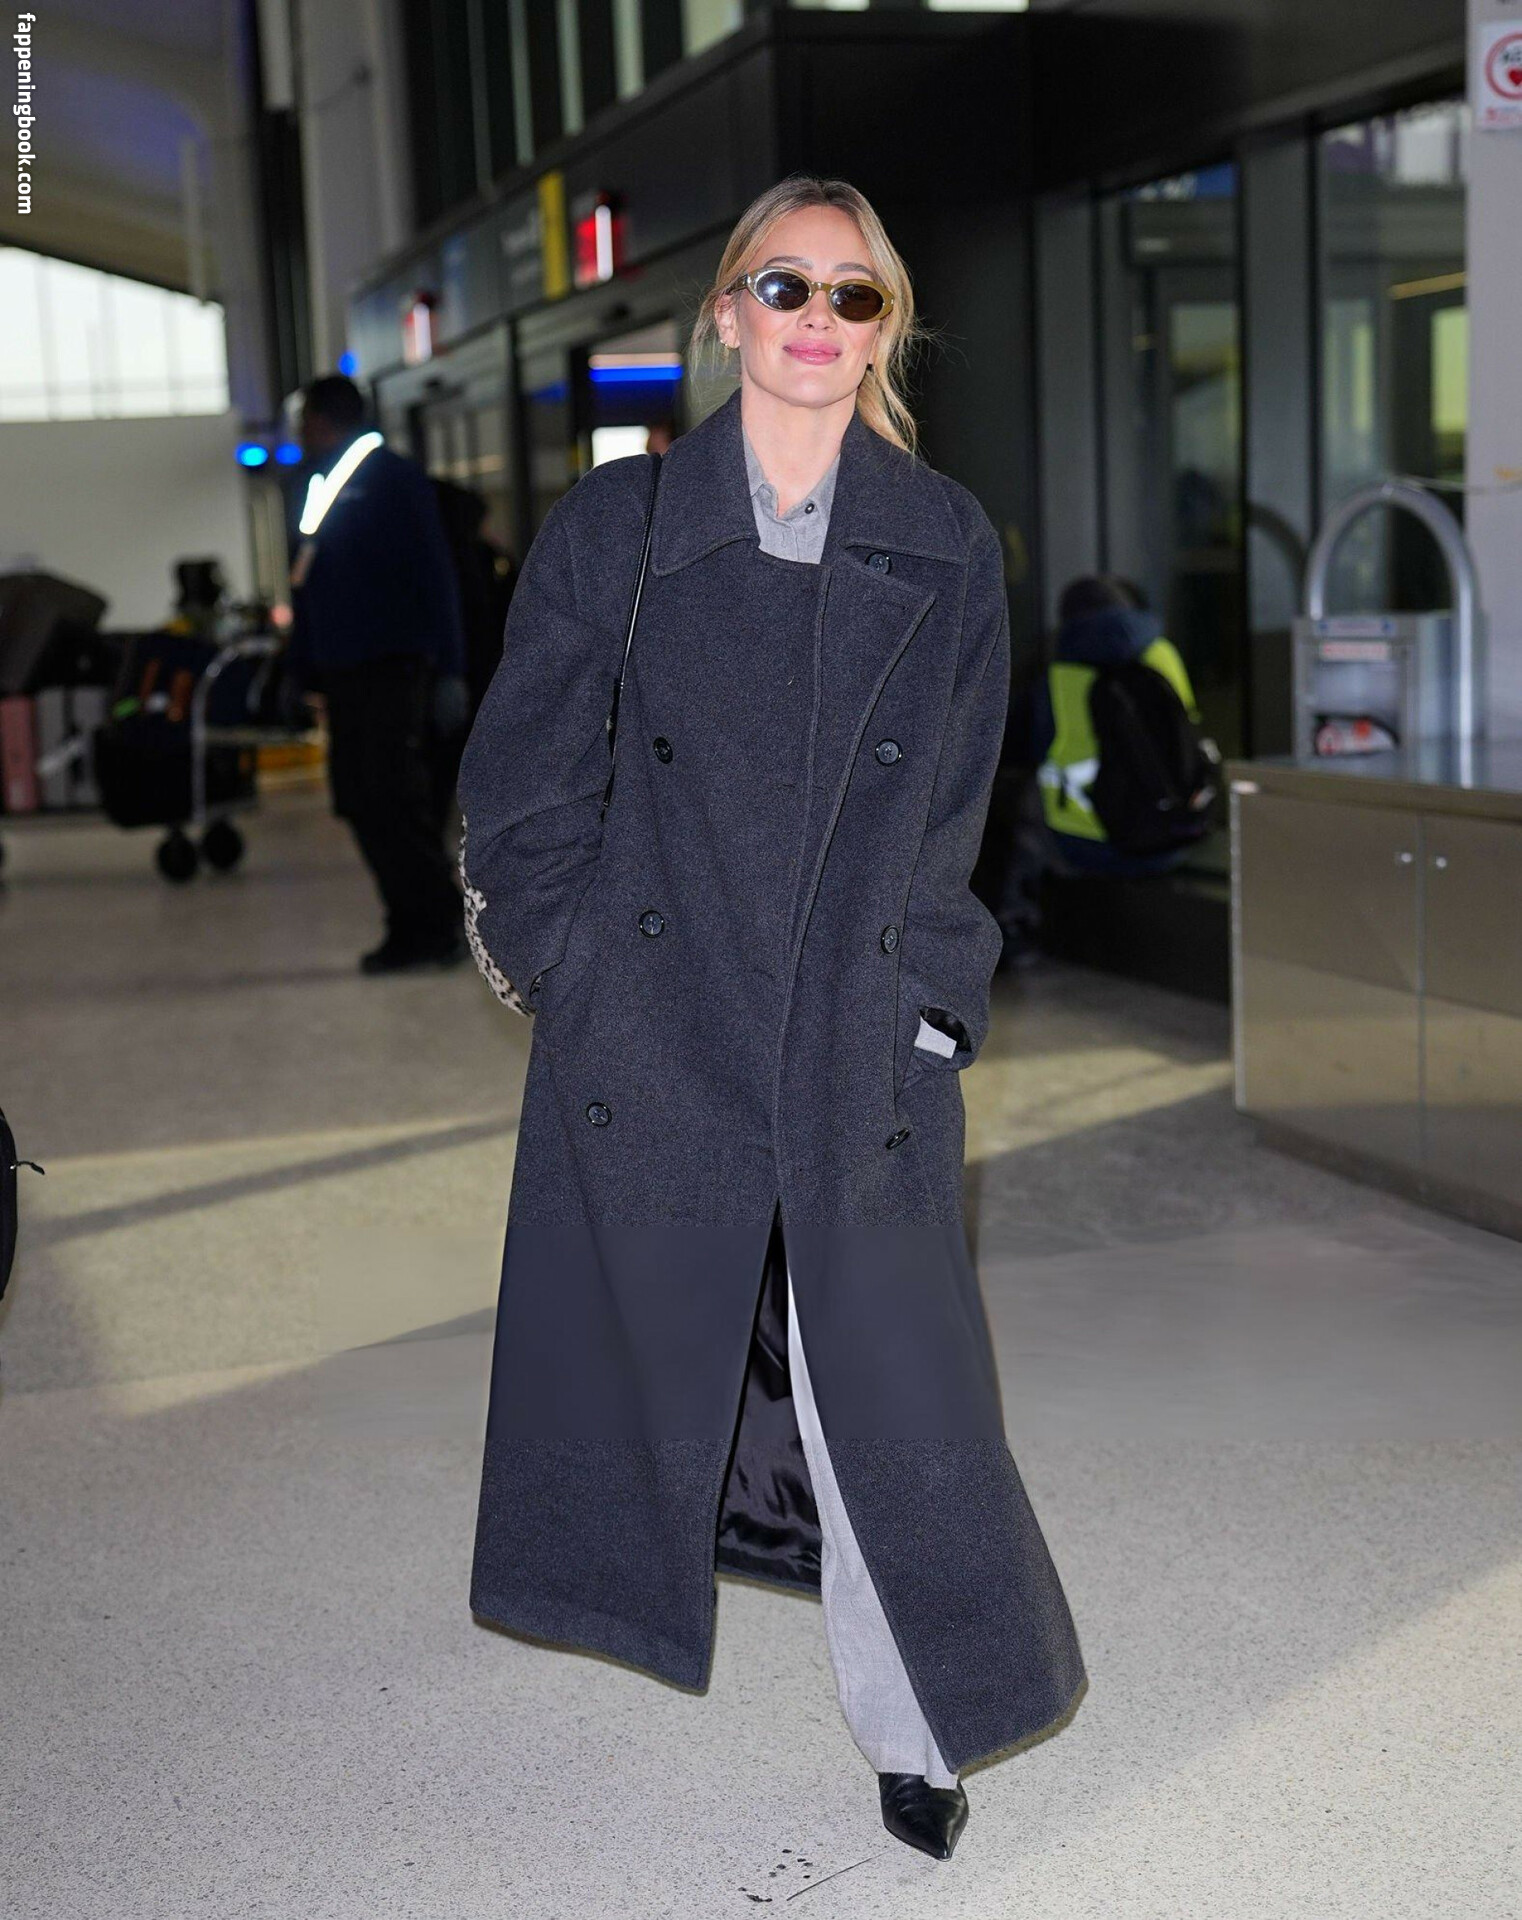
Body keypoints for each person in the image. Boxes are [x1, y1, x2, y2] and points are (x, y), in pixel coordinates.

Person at [457, 176, 1085, 1862]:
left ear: (884, 332)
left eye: (852, 294)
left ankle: (918, 1727)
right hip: (659, 1014)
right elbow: (524, 780)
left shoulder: (942, 539)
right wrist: (570, 966)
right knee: (657, 1351)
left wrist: (931, 1005)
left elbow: (955, 813)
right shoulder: (620, 528)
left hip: (855, 1023)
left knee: (884, 1386)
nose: (817, 318)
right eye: (784, 285)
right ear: (725, 311)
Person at [287, 374, 467, 974]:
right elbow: (309, 582)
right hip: (342, 669)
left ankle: (434, 926)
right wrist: (302, 666)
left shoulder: (392, 479)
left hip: (392, 667)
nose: (299, 430)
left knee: (394, 798)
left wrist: (450, 669)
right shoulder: (316, 482)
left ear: (323, 419)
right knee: (359, 799)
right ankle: (408, 921)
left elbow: (437, 577)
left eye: (304, 419)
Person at [1033, 574, 1208, 877]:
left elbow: (1033, 745)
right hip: (1173, 832)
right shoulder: (1163, 652)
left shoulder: (1059, 672)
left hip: (1086, 841)